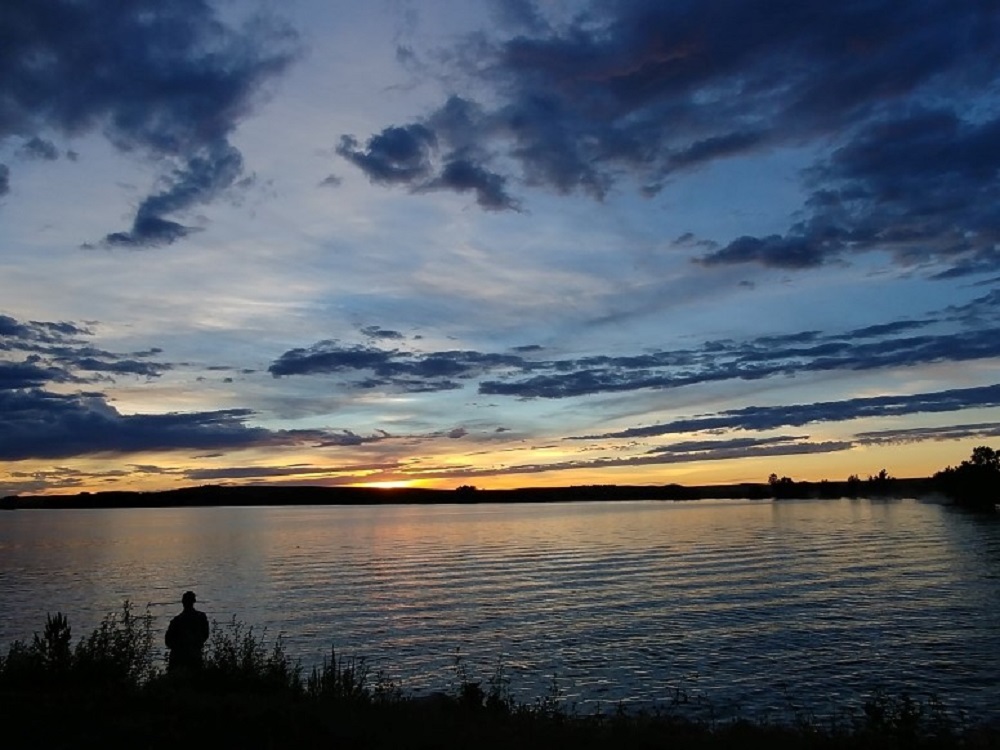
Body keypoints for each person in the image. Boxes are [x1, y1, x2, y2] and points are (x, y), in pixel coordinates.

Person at [165, 590, 210, 672]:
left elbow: (168, 641)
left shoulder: (176, 620)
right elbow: (205, 635)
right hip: (194, 655)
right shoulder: (201, 617)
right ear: (194, 601)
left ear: (182, 602)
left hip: (180, 657)